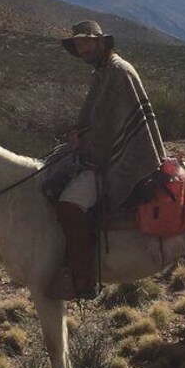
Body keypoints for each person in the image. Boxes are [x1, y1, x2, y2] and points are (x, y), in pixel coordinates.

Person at [49, 20, 166, 300]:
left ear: (100, 42)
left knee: (69, 205)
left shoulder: (117, 72)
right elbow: (98, 120)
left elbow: (112, 129)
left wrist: (83, 143)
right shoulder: (103, 72)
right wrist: (78, 137)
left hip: (120, 159)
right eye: (78, 44)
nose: (82, 48)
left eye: (86, 42)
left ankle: (84, 280)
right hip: (101, 152)